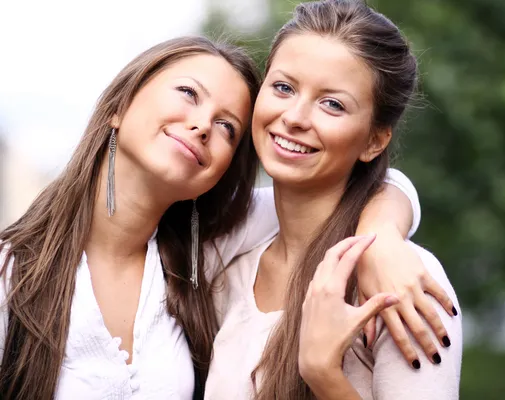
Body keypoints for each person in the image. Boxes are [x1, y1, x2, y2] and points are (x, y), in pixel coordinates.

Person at [0, 35, 455, 399]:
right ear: (120, 104)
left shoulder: (209, 251)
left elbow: (376, 186)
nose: (201, 125)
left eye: (227, 127)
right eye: (187, 93)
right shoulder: (13, 275)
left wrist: (382, 237)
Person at [205, 1, 462, 399]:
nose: (295, 117)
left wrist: (324, 375)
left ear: (374, 140)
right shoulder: (229, 265)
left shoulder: (400, 281)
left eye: (333, 104)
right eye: (284, 87)